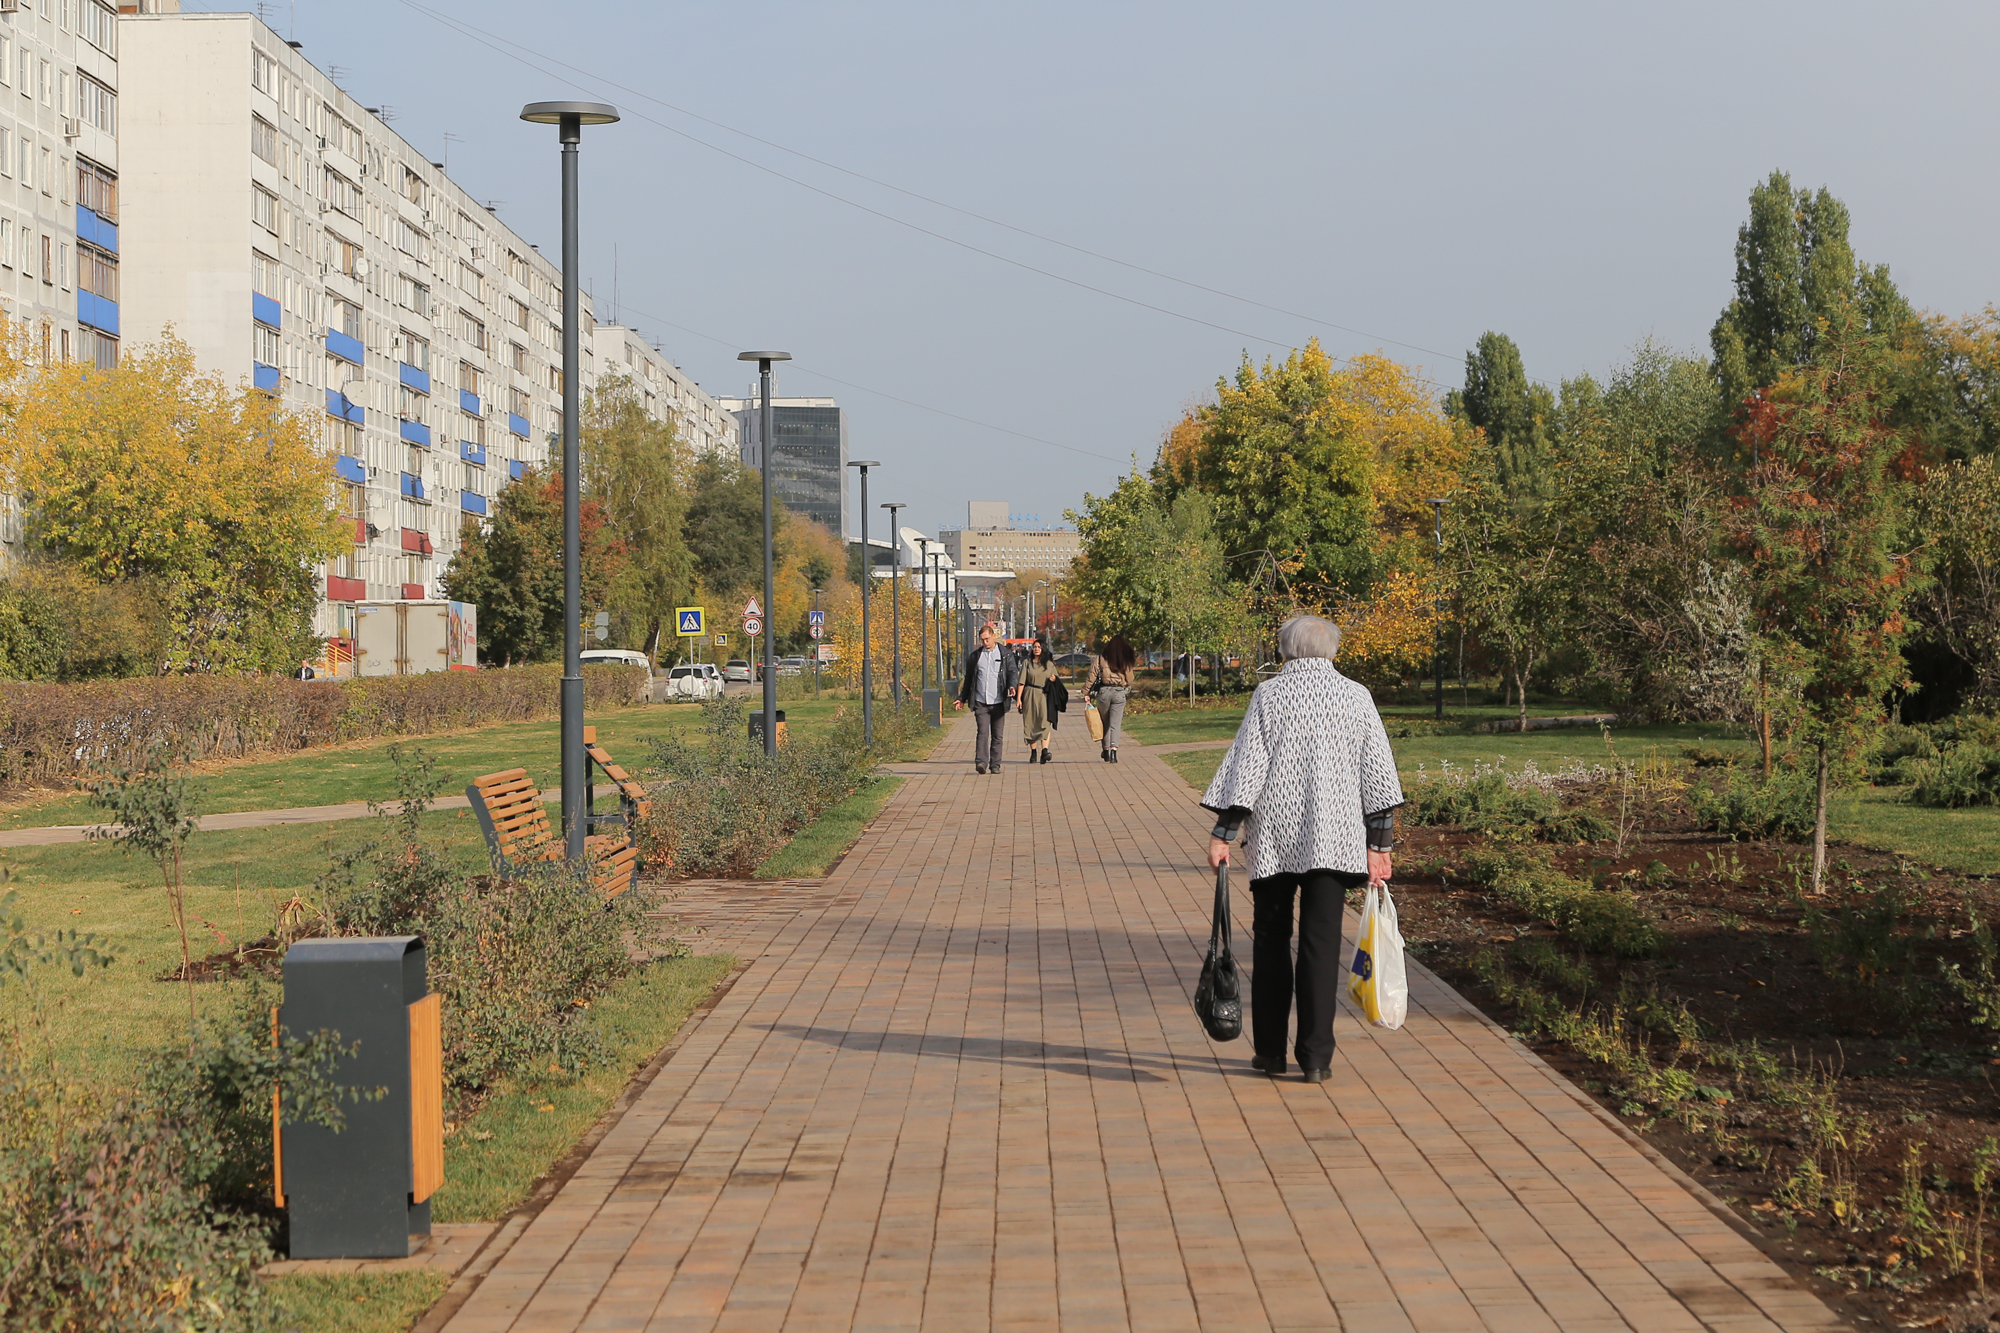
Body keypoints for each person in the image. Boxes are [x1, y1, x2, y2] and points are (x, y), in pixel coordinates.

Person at [1200, 615, 1403, 1084]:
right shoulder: (1356, 696)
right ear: (1332, 650)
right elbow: (1378, 773)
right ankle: (1316, 1058)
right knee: (1320, 945)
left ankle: (1270, 1052)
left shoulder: (1269, 695)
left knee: (1271, 941)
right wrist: (1380, 846)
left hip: (1275, 837)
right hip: (1336, 838)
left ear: (1285, 650)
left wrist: (1223, 834)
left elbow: (1246, 767)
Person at [954, 622, 1019, 774]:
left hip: (999, 701)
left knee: (997, 735)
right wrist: (962, 698)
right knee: (982, 732)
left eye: (987, 639)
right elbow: (969, 679)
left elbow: (1012, 673)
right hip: (980, 701)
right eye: (982, 640)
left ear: (994, 636)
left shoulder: (1005, 654)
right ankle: (981, 762)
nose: (985, 642)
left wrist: (1012, 687)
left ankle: (995, 764)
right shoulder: (976, 656)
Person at [1083, 635, 1136, 762]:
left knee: (1104, 723)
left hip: (1104, 692)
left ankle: (1105, 750)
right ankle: (1114, 751)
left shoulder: (1101, 658)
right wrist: (1124, 684)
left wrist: (1086, 692)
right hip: (1118, 693)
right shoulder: (1124, 660)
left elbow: (1092, 675)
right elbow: (1130, 679)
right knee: (1115, 724)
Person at [1018, 636, 1056, 764]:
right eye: (1034, 647)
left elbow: (1056, 680)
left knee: (1045, 722)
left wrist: (1054, 680)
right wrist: (1019, 699)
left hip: (1044, 695)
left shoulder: (1049, 665)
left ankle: (1045, 751)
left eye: (1039, 647)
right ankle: (1034, 751)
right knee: (1031, 723)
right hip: (1030, 694)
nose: (1036, 649)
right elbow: (1021, 683)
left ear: (1043, 649)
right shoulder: (1027, 664)